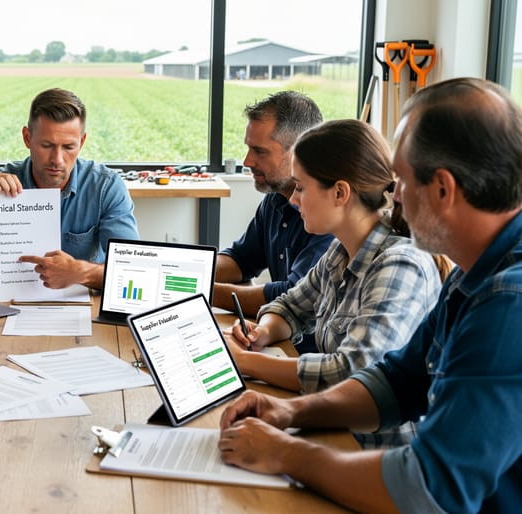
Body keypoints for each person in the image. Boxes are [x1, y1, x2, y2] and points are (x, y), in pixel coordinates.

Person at [218, 77, 522, 513]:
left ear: (443, 189)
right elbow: (396, 383)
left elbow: (429, 488)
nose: (392, 194)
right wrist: (291, 413)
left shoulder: (508, 304)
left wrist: (286, 453)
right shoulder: (475, 273)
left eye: (401, 179)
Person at [224, 119, 441, 448]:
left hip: (372, 451)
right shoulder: (341, 250)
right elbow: (290, 306)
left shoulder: (400, 266)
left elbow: (353, 372)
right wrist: (263, 332)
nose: (293, 201)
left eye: (300, 187)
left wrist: (245, 361)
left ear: (340, 193)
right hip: (331, 430)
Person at [0, 88, 139, 289]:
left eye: (68, 147)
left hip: (83, 304)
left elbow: (131, 270)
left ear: (82, 141)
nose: (57, 160)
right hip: (11, 301)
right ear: (27, 138)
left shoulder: (106, 187)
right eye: (46, 145)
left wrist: (79, 272)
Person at [213, 92, 333, 351]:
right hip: (280, 345)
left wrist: (199, 290)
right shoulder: (276, 199)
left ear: (301, 150)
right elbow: (241, 260)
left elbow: (291, 294)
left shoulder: (329, 218)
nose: (247, 161)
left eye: (259, 151)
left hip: (307, 358)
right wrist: (181, 272)